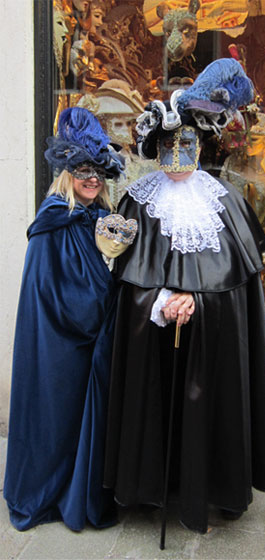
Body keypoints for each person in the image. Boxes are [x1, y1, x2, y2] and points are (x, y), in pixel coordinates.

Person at [103, 58, 265, 534]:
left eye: (187, 143)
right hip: (154, 342)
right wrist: (159, 303)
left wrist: (199, 303)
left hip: (213, 344)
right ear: (155, 147)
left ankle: (214, 485)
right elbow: (122, 291)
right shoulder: (134, 202)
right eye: (169, 144)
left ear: (201, 144)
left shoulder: (227, 203)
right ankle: (150, 487)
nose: (179, 153)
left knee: (211, 401)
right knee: (157, 394)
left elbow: (240, 296)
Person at [4, 107, 125, 531]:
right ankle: (53, 494)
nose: (92, 179)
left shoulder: (99, 218)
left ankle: (83, 491)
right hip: (60, 346)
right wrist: (92, 313)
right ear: (67, 172)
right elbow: (48, 290)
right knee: (58, 418)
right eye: (83, 169)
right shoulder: (53, 219)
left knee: (83, 420)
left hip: (93, 342)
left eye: (97, 171)